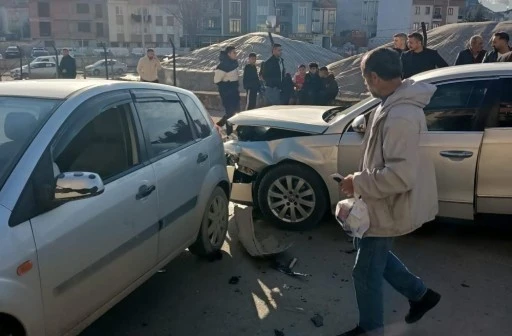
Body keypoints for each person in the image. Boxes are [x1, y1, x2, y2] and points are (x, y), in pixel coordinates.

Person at [337, 48, 440, 336]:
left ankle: (371, 330)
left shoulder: (401, 115)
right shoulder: (391, 103)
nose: (365, 85)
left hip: (389, 205)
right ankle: (421, 295)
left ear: (373, 76)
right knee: (368, 252)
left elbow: (400, 176)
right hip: (379, 203)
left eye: (364, 79)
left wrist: (357, 182)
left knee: (366, 271)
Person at [213, 46, 240, 135]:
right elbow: (217, 80)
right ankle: (229, 133)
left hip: (234, 91)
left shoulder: (234, 63)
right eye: (234, 53)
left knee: (235, 111)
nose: (236, 54)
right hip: (227, 93)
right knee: (230, 112)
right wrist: (228, 85)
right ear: (228, 54)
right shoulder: (222, 66)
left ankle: (219, 124)